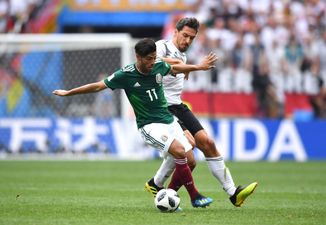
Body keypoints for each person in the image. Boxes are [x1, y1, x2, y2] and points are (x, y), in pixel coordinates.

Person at [52, 38, 218, 208]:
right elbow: (97, 86)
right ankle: (195, 196)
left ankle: (165, 193)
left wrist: (198, 67)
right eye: (149, 59)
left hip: (169, 120)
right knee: (179, 151)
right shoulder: (125, 75)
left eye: (154, 57)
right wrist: (68, 93)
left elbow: (175, 67)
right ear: (138, 57)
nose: (153, 62)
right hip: (149, 125)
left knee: (191, 161)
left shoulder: (158, 65)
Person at [145, 17, 258, 207]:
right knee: (188, 154)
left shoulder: (183, 56)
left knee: (207, 142)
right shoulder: (162, 46)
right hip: (161, 108)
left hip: (178, 106)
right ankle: (159, 185)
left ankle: (233, 193)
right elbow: (153, 61)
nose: (187, 41)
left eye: (192, 38)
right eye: (185, 36)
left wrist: (185, 66)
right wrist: (191, 67)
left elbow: (176, 67)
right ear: (175, 32)